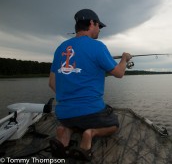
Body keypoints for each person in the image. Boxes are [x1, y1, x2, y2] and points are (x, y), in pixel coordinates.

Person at [48, 9, 132, 160]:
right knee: (114, 124)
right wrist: (125, 59)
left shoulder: (60, 49)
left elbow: (52, 83)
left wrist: (70, 96)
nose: (99, 29)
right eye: (99, 25)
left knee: (74, 121)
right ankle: (90, 133)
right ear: (92, 23)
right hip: (91, 113)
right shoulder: (97, 46)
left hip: (64, 114)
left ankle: (65, 131)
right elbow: (119, 73)